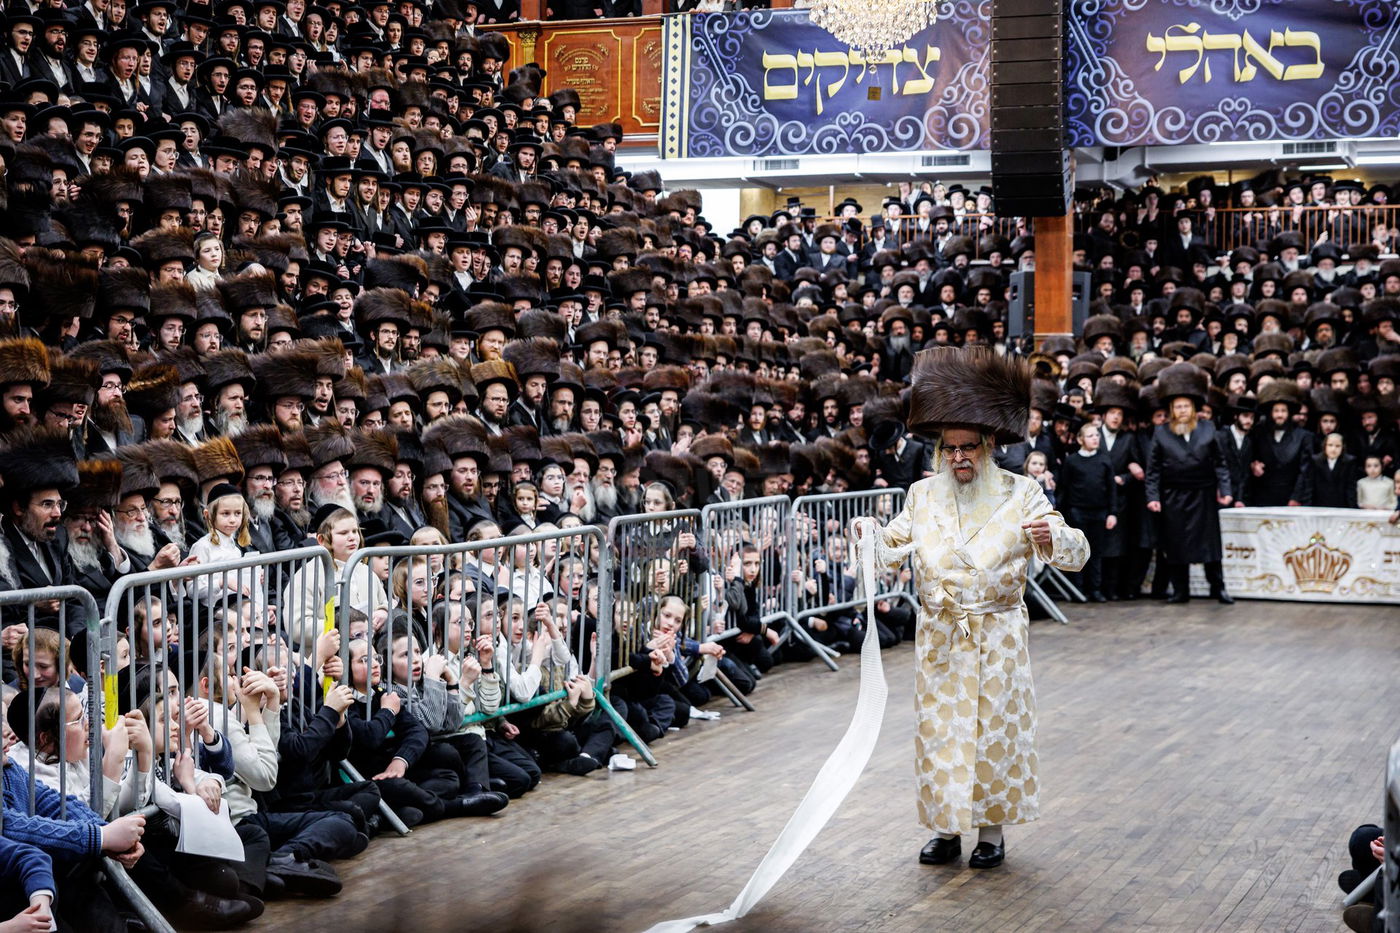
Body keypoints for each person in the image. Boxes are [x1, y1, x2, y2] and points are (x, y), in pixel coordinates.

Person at [856, 347, 1088, 871]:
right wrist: (867, 535)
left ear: (989, 446)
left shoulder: (1022, 493)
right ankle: (944, 829)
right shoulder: (921, 495)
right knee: (941, 732)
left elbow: (1076, 551)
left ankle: (990, 833)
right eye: (950, 449)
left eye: (969, 449)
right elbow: (890, 546)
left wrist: (1052, 534)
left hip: (999, 632)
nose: (959, 458)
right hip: (940, 635)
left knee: (993, 732)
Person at [1145, 363, 1235, 605]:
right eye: (1178, 407)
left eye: (1186, 406)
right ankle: (1180, 591)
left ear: (1194, 408)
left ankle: (1219, 589)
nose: (1182, 410)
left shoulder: (1208, 428)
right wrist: (1152, 497)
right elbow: (1152, 470)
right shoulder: (1161, 432)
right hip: (1173, 496)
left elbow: (1220, 464)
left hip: (1203, 495)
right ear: (1172, 410)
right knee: (1176, 547)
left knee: (1210, 547)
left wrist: (1225, 491)